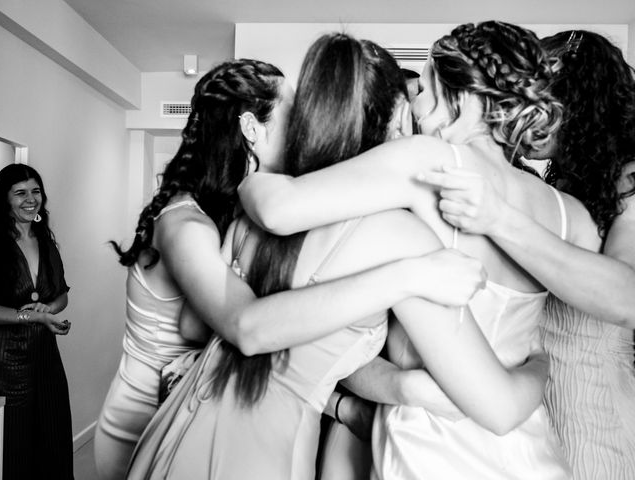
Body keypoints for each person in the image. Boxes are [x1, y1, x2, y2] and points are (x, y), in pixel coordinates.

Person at [128, 30, 556, 480]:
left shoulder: (254, 210)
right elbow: (500, 407)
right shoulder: (401, 237)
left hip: (182, 427)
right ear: (395, 125)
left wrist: (396, 387)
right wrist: (541, 364)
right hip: (265, 454)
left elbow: (197, 325)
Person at [236, 22, 596, 478]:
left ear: (461, 100)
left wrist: (247, 175)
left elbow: (280, 211)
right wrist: (539, 368)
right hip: (529, 448)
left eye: (423, 88)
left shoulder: (430, 162)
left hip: (431, 445)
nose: (414, 107)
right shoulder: (572, 215)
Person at [415, 30, 635, 479]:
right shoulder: (550, 192)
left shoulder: (630, 179)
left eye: (538, 98)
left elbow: (626, 297)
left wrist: (497, 218)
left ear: (580, 103)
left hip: (593, 411)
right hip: (530, 411)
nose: (519, 110)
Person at [0, 164, 72, 480]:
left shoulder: (45, 239)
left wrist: (49, 310)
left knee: (53, 437)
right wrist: (31, 316)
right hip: (6, 362)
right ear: (4, 199)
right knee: (13, 446)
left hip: (46, 357)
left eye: (36, 191)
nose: (31, 199)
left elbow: (63, 295)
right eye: (20, 193)